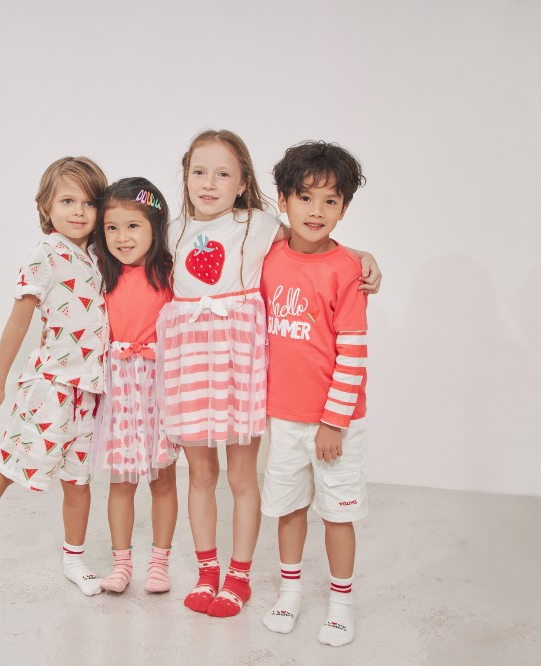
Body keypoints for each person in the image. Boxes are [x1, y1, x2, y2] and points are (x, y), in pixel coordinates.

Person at [159, 130, 381, 619]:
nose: (209, 182)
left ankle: (239, 575)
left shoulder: (259, 225)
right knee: (199, 472)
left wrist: (363, 257)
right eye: (199, 171)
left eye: (223, 173)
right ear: (185, 176)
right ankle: (206, 570)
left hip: (241, 366)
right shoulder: (169, 231)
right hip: (190, 363)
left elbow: (315, 242)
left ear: (244, 183)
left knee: (241, 475)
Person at [0, 156, 109, 598]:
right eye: (67, 200)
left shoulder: (98, 256)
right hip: (50, 388)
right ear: (46, 206)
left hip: (88, 391)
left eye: (89, 203)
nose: (78, 211)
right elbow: (18, 323)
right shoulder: (45, 257)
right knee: (8, 466)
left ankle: (74, 556)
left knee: (78, 479)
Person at [259, 140, 370, 647]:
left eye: (330, 201)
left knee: (337, 512)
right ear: (284, 200)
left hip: (335, 423)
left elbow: (353, 354)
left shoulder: (347, 269)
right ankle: (290, 591)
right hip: (283, 417)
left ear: (344, 208)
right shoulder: (268, 258)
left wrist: (333, 422)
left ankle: (342, 603)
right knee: (288, 507)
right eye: (306, 197)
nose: (317, 211)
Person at [88, 177, 177, 594]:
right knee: (121, 480)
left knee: (163, 478)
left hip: (160, 384)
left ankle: (159, 563)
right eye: (112, 227)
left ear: (155, 228)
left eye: (133, 226)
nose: (122, 237)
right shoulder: (99, 272)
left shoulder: (171, 274)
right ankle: (121, 562)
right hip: (119, 384)